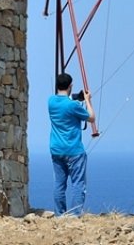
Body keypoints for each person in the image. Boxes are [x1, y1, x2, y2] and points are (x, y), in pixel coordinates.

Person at [48, 72, 95, 215]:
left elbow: (64, 100)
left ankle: (59, 214)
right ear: (71, 86)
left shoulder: (50, 101)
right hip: (74, 150)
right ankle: (74, 215)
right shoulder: (73, 106)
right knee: (78, 184)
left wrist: (76, 97)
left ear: (56, 85)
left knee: (59, 184)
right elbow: (91, 118)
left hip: (56, 149)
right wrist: (87, 100)